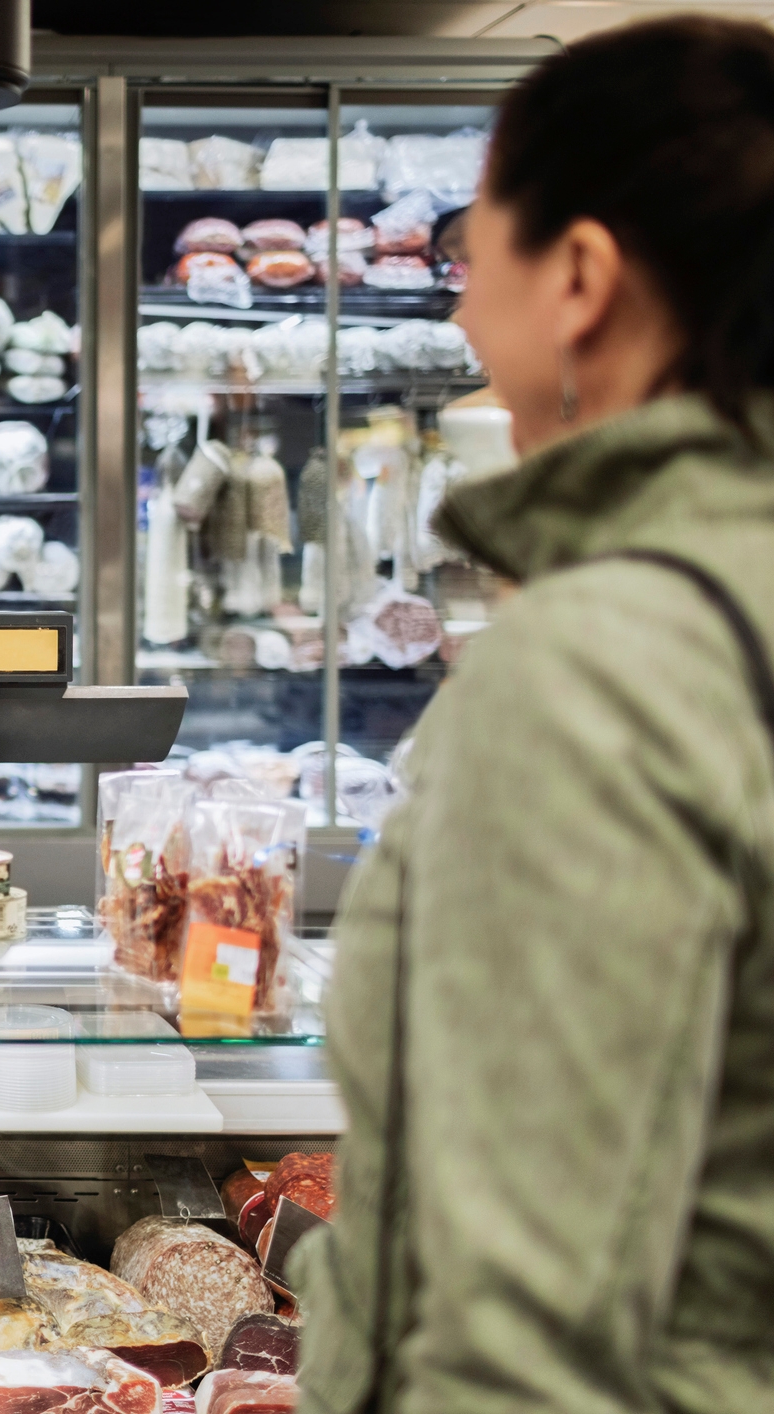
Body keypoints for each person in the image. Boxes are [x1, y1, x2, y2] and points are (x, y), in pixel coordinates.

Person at [298, 16, 774, 1414]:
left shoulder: (603, 667)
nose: (455, 310)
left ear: (577, 274)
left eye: (470, 255)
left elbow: (519, 1337)